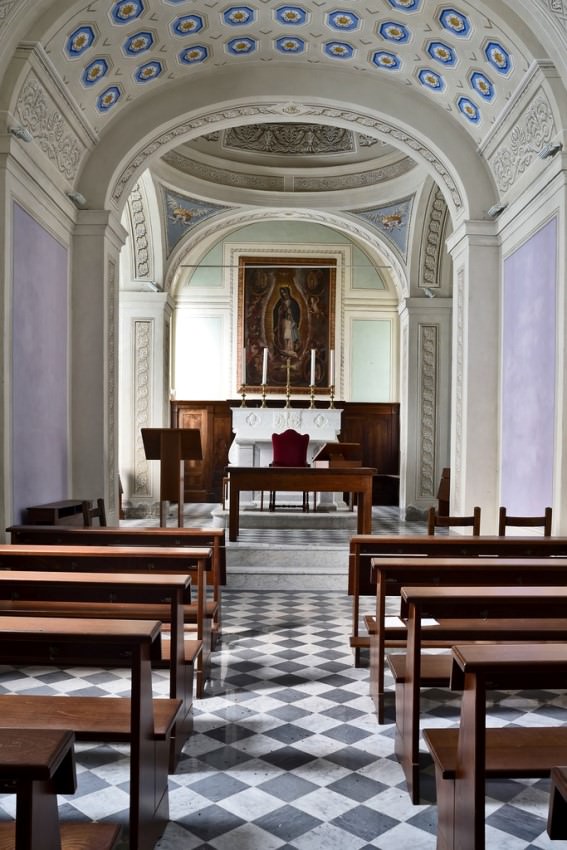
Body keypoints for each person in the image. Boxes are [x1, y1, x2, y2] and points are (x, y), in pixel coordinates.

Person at [274, 286, 300, 355]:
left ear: (288, 292)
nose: (283, 294)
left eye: (284, 293)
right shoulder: (280, 302)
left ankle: (290, 349)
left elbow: (297, 312)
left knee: (290, 336)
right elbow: (276, 312)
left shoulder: (293, 302)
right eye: (282, 293)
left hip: (290, 322)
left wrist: (295, 321)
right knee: (284, 335)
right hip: (283, 322)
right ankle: (284, 349)